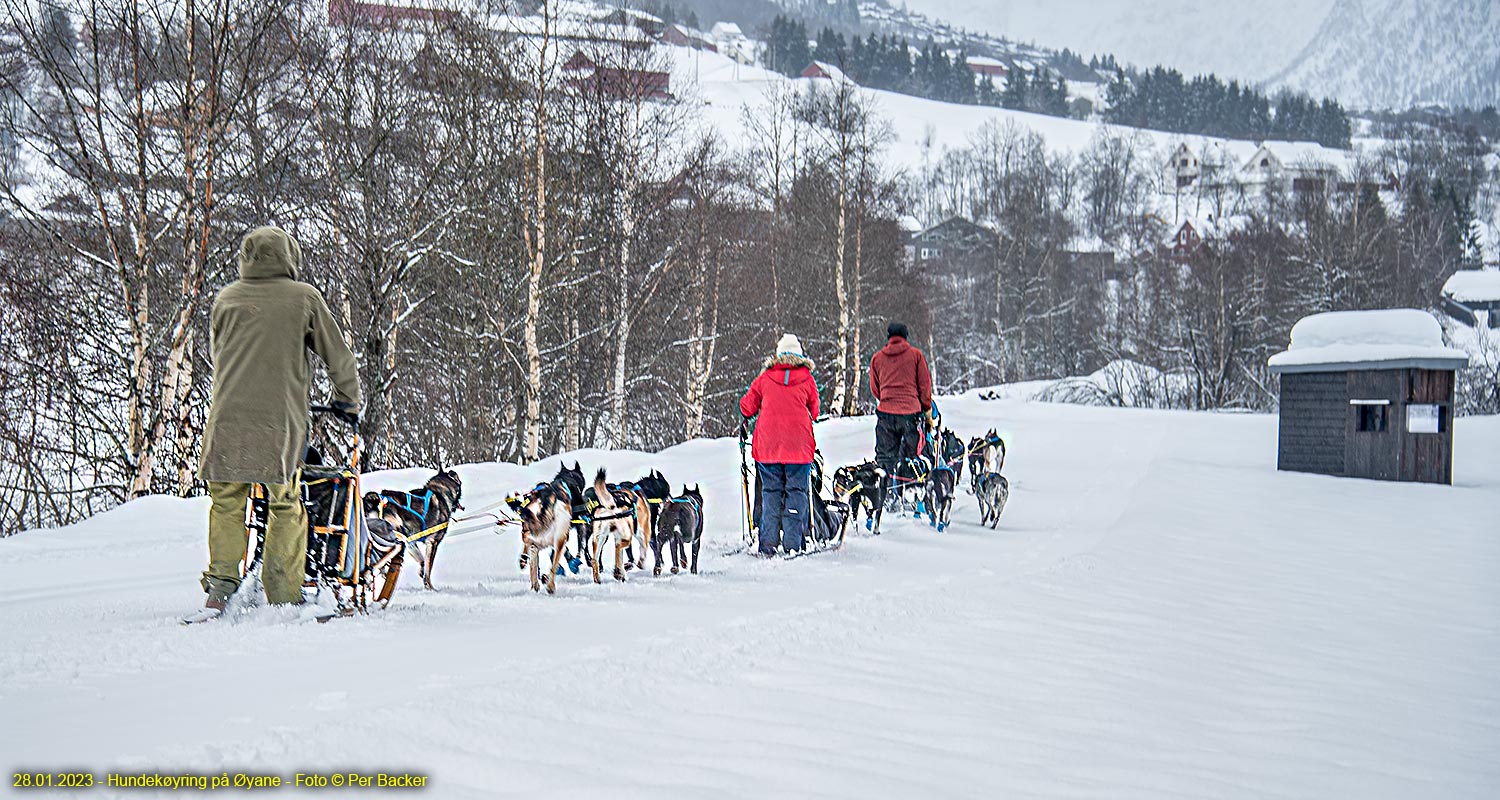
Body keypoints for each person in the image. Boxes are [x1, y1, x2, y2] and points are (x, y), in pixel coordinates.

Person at [188, 226, 361, 622]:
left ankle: (218, 591)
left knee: (227, 503)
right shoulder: (304, 299)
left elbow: (221, 356)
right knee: (285, 502)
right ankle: (283, 595)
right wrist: (347, 400)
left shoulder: (225, 299)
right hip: (278, 424)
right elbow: (339, 356)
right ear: (289, 257)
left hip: (226, 419)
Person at [739, 333, 819, 556]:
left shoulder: (764, 378)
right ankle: (793, 545)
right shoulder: (808, 379)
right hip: (799, 448)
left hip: (768, 448)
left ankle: (768, 545)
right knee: (796, 492)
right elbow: (815, 411)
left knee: (770, 493)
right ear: (799, 355)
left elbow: (746, 407)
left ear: (778, 355)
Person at [869, 321, 933, 476]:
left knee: (885, 458)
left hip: (885, 415)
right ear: (906, 337)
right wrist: (927, 410)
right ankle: (911, 493)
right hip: (911, 415)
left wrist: (887, 398)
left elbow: (875, 389)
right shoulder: (916, 356)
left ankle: (887, 494)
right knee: (913, 458)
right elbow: (924, 387)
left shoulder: (877, 358)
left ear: (889, 337)